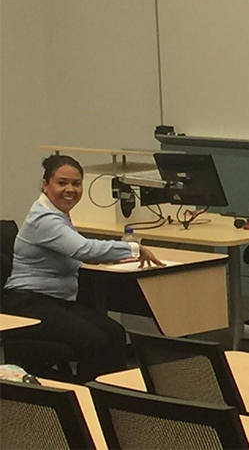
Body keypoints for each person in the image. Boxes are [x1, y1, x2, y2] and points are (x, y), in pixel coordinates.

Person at [3, 154, 164, 382]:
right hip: (26, 303)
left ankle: (111, 400)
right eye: (62, 183)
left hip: (56, 301)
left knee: (115, 333)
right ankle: (89, 397)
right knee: (95, 341)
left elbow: (79, 250)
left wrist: (116, 255)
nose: (70, 189)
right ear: (45, 184)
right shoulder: (44, 219)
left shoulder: (59, 215)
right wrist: (133, 249)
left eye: (76, 184)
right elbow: (84, 250)